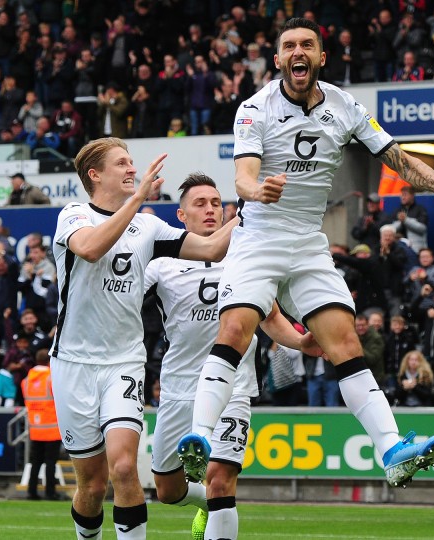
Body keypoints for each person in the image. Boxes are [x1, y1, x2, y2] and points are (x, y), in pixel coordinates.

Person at [51, 138, 236, 540]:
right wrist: (136, 200)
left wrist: (251, 209)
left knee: (122, 468)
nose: (132, 169)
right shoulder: (74, 216)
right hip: (72, 365)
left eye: (132, 162)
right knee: (92, 485)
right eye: (122, 163)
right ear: (95, 175)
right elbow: (90, 249)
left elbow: (212, 248)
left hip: (124, 364)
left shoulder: (149, 227)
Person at [143, 174, 317, 538]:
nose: (210, 210)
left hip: (233, 388)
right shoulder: (160, 264)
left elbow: (269, 317)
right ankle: (206, 506)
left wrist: (300, 343)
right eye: (200, 204)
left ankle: (217, 503)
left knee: (220, 480)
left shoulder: (246, 257)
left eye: (215, 203)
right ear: (181, 215)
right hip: (179, 389)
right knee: (167, 490)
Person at [22, 349, 62, 500]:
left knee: (35, 462)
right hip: (52, 428)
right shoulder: (52, 378)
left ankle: (31, 491)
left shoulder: (26, 381)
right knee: (51, 462)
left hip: (35, 428)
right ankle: (50, 492)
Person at [393, 186, 428, 252]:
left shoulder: (420, 209)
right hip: (400, 249)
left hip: (416, 250)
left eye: (405, 195)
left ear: (412, 196)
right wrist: (400, 222)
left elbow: (422, 229)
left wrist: (405, 220)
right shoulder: (398, 210)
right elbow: (391, 229)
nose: (403, 197)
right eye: (401, 195)